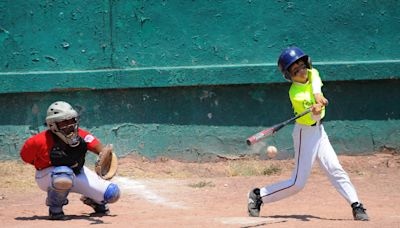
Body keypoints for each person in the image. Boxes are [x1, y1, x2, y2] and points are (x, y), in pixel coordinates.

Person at [247, 47, 369, 221]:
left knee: (335, 168)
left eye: (302, 66)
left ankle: (356, 205)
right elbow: (313, 117)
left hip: (319, 131)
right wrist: (316, 110)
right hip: (306, 134)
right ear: (289, 76)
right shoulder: (295, 94)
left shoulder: (312, 73)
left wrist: (318, 97)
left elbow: (315, 81)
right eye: (296, 71)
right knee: (298, 183)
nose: (302, 71)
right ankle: (259, 195)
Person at [20, 101, 121, 220]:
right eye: (64, 122)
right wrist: (45, 165)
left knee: (112, 194)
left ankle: (92, 199)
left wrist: (106, 156)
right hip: (48, 176)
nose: (70, 125)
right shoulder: (38, 141)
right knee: (63, 174)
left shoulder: (81, 135)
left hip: (77, 172)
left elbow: (101, 149)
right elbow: (26, 157)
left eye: (72, 120)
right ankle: (55, 208)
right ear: (52, 125)